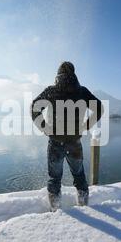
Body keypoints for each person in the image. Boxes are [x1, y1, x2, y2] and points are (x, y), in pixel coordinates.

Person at [31, 61, 103, 211]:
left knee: (54, 178)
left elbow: (34, 107)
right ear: (74, 74)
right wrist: (87, 125)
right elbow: (99, 108)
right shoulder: (82, 92)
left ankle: (56, 209)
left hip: (55, 142)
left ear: (57, 75)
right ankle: (83, 206)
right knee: (79, 176)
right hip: (74, 142)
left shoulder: (51, 91)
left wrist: (44, 127)